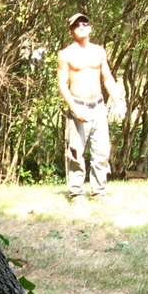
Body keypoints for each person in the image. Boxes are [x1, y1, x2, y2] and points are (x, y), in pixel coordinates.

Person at [57, 12, 126, 203]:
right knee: (76, 152)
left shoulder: (99, 51)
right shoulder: (65, 54)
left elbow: (108, 78)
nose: (81, 26)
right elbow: (62, 84)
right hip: (78, 105)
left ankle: (99, 193)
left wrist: (118, 102)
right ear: (71, 31)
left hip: (98, 106)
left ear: (90, 27)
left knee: (101, 152)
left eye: (85, 23)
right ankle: (76, 194)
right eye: (77, 25)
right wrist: (74, 108)